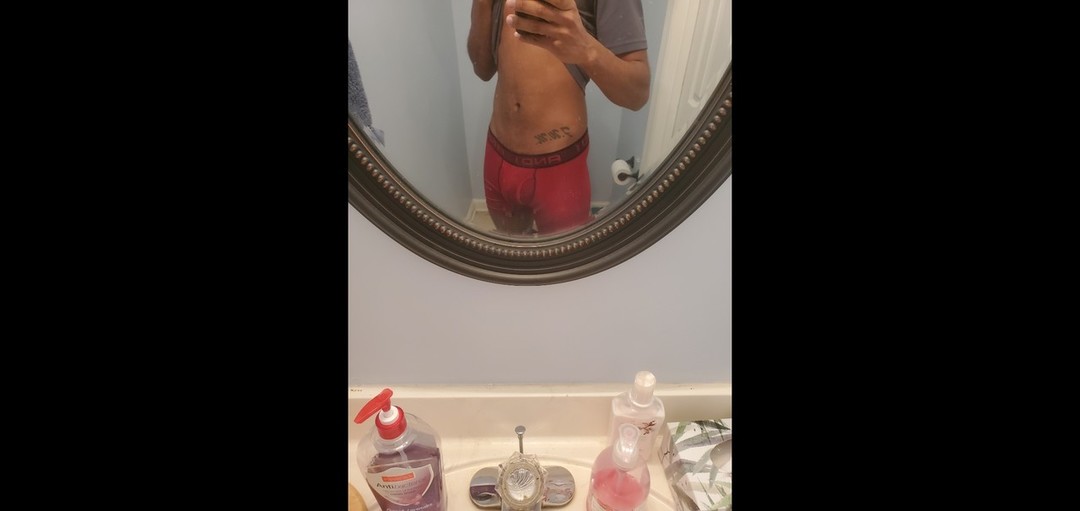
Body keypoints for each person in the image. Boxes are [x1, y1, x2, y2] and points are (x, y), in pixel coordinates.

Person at [468, 0, 649, 235]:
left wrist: (587, 49)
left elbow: (637, 93)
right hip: (497, 155)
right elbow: (482, 68)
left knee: (565, 257)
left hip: (559, 169)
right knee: (509, 253)